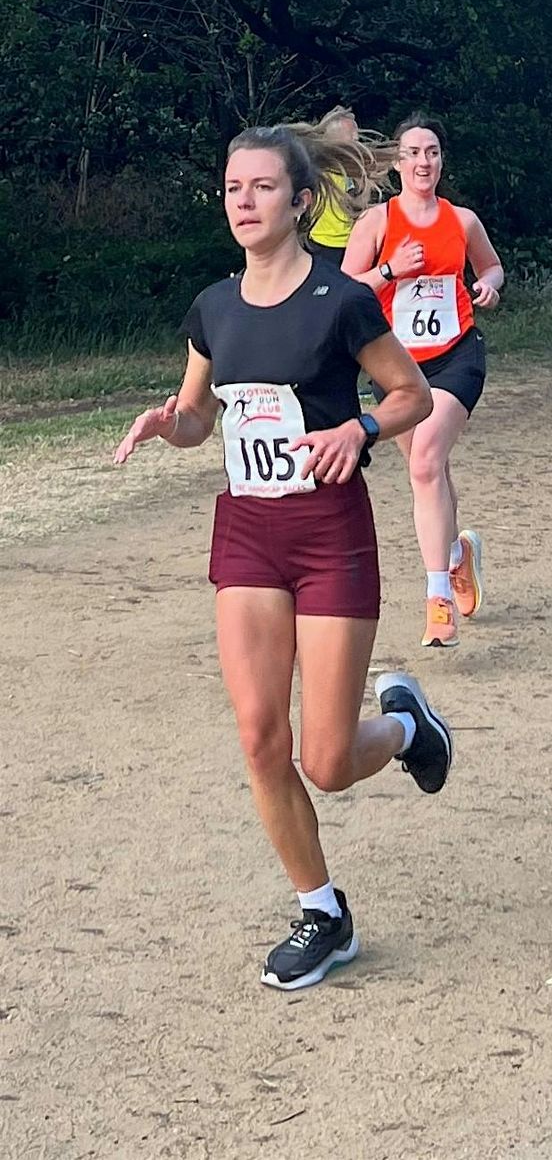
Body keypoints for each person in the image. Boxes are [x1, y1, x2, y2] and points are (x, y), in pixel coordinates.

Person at [113, 123, 452, 991]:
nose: (244, 202)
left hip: (330, 533)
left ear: (302, 203)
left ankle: (410, 726)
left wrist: (360, 426)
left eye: (262, 188)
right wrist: (170, 426)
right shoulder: (212, 308)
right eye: (233, 188)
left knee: (327, 762)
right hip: (249, 534)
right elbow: (200, 419)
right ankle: (323, 911)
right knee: (263, 737)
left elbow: (410, 393)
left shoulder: (342, 301)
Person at [343, 113, 504, 650]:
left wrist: (487, 286)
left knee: (426, 461)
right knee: (429, 471)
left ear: (441, 159)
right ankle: (457, 557)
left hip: (457, 355)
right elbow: (343, 297)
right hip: (394, 365)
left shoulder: (462, 220)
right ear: (397, 162)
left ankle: (437, 597)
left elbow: (492, 267)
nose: (423, 162)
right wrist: (391, 271)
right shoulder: (377, 223)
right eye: (412, 153)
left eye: (432, 152)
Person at [305, 106, 360, 265]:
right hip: (322, 245)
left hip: (351, 244)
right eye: (352, 133)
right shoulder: (316, 167)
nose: (357, 138)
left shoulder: (354, 166)